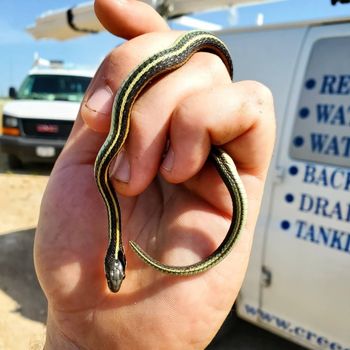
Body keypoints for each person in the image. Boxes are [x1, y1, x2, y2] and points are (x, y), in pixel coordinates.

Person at [34, 0, 276, 349]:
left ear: (113, 259)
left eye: (112, 276)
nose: (115, 282)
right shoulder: (104, 188)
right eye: (115, 277)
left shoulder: (107, 180)